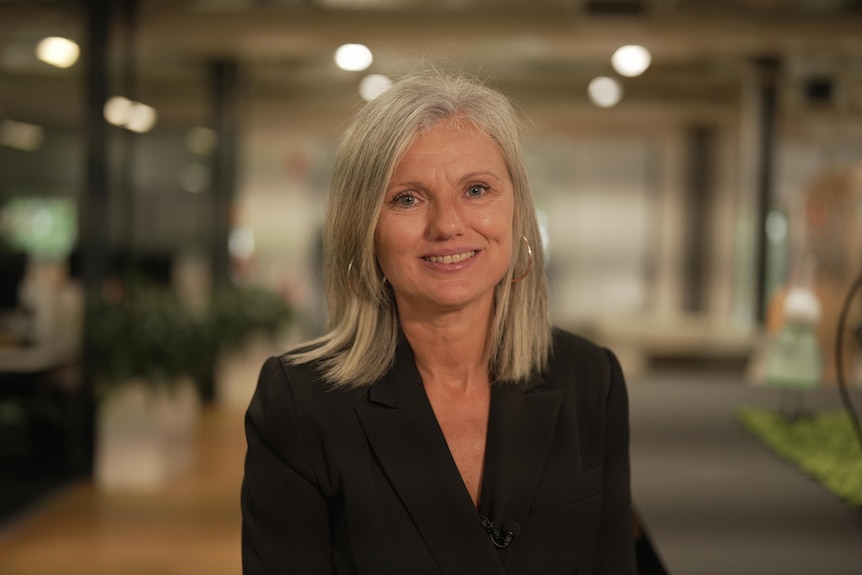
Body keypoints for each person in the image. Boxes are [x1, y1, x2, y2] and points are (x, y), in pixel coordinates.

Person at [241, 69, 636, 574]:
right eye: (408, 198)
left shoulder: (591, 378)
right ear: (363, 230)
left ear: (518, 213)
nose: (448, 224)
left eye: (476, 189)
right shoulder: (298, 402)